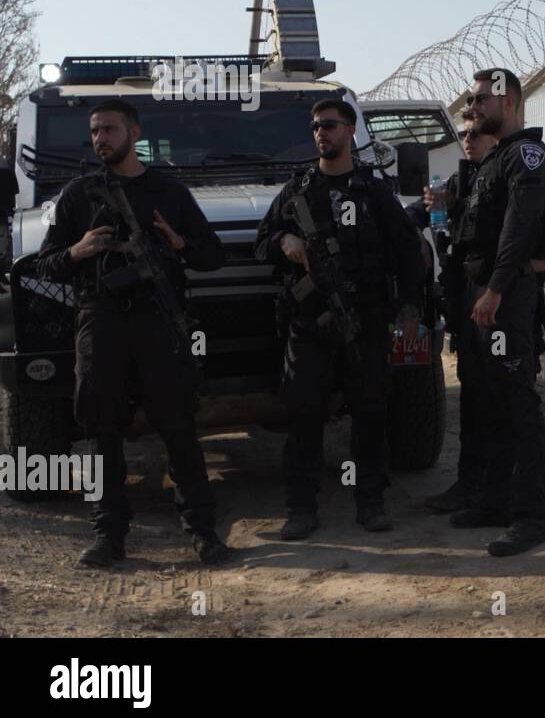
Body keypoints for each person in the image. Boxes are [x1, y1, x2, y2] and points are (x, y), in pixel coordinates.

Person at [34, 99, 231, 567]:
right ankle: (109, 535)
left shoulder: (168, 191)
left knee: (178, 426)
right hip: (100, 321)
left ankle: (204, 532)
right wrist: (77, 251)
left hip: (158, 322)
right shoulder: (79, 195)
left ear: (134, 133)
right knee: (101, 429)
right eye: (95, 131)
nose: (100, 138)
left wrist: (179, 243)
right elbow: (44, 264)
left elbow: (212, 256)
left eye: (109, 129)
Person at [255, 98, 424, 540]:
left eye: (329, 125)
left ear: (350, 131)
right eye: (315, 127)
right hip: (309, 324)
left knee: (370, 412)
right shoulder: (297, 191)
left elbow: (409, 253)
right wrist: (286, 241)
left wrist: (410, 309)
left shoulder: (373, 192)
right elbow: (262, 243)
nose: (320, 133)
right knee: (304, 414)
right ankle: (301, 509)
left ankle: (370, 502)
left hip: (366, 321)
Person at [453, 67, 545, 556]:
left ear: (509, 102)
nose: (474, 108)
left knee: (518, 405)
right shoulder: (493, 161)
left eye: (480, 100)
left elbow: (520, 227)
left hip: (506, 295)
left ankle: (533, 517)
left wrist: (495, 289)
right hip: (484, 293)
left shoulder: (527, 157)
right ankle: (495, 502)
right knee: (490, 401)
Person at [423, 119, 499, 513]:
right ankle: (471, 485)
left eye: (474, 134)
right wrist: (436, 208)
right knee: (473, 398)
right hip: (467, 302)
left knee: (500, 401)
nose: (466, 140)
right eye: (463, 134)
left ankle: (500, 493)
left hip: (499, 306)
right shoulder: (462, 179)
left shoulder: (506, 174)